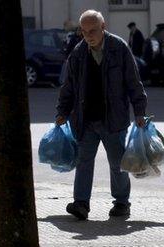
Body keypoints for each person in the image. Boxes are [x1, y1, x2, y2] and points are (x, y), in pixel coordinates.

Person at [55, 10, 147, 220]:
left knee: (117, 164)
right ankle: (81, 203)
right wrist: (62, 111)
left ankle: (122, 203)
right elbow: (68, 86)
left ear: (103, 26)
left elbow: (134, 83)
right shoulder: (78, 54)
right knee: (83, 161)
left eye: (93, 30)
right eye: (85, 31)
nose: (89, 35)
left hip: (113, 119)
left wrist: (140, 112)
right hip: (85, 119)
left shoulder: (119, 48)